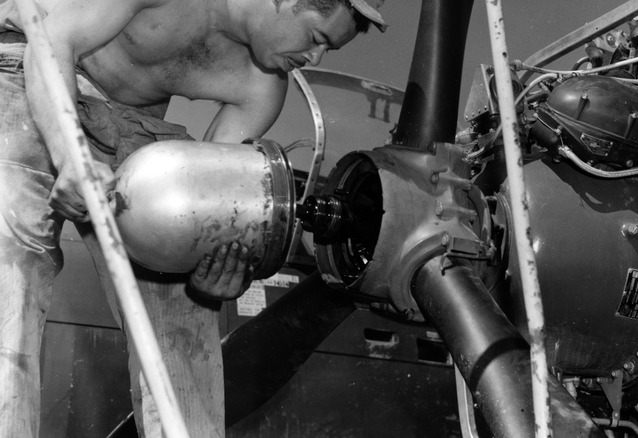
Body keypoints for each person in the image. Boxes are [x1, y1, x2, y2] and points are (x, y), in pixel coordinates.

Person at [0, 0, 386, 436]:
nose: (314, 59)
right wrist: (70, 154)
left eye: (328, 51)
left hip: (134, 128)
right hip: (33, 67)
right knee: (12, 238)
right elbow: (54, 40)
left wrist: (207, 270)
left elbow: (213, 198)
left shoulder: (263, 87)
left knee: (182, 311)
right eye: (317, 38)